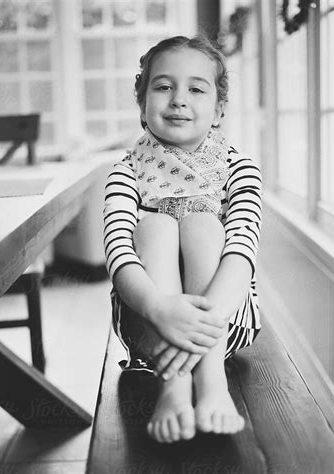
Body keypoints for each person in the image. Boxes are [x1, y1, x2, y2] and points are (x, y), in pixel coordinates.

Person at [103, 35, 262, 443]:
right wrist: (160, 308)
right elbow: (118, 254)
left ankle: (211, 384)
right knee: (153, 226)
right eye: (163, 86)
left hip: (224, 321)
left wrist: (200, 324)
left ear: (219, 108)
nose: (178, 99)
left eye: (195, 88)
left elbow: (242, 253)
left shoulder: (238, 170)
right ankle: (173, 388)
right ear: (142, 104)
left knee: (203, 223)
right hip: (148, 320)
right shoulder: (127, 173)